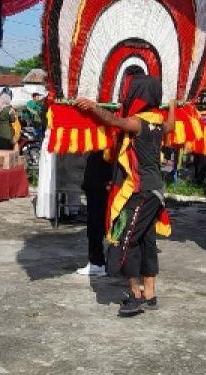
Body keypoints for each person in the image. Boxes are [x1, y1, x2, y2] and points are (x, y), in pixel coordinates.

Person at [75, 76, 175, 317]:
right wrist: (172, 106)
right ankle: (150, 294)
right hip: (156, 192)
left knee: (125, 240)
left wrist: (93, 106)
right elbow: (172, 125)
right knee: (147, 242)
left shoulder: (137, 123)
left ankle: (136, 295)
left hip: (140, 192)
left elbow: (112, 119)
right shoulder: (159, 124)